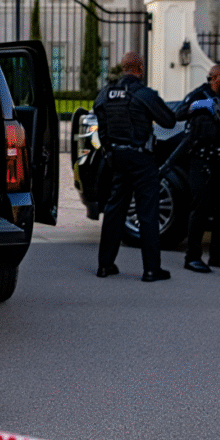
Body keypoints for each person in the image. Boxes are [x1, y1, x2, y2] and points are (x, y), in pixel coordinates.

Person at [93, 52, 177, 282]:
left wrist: (110, 151)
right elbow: (169, 121)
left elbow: (100, 120)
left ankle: (104, 265)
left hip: (117, 158)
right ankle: (151, 270)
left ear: (123, 68)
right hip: (141, 159)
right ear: (140, 69)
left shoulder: (106, 94)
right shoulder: (143, 94)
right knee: (147, 212)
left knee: (114, 210)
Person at [173, 63, 220, 273]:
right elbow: (179, 114)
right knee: (200, 210)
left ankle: (218, 255)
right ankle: (192, 257)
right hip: (202, 160)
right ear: (214, 78)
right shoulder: (199, 95)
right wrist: (197, 106)